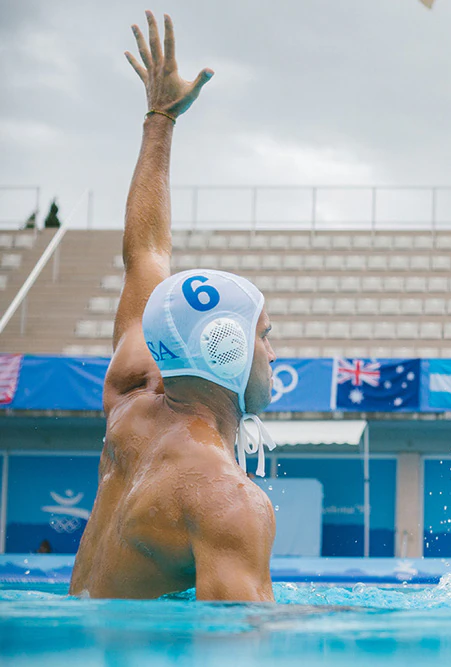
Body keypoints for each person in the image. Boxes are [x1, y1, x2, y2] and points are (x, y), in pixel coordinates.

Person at [69, 12, 277, 602]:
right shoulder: (227, 500)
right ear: (226, 349)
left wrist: (159, 120)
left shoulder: (128, 405)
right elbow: (236, 644)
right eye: (264, 334)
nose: (273, 350)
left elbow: (146, 256)